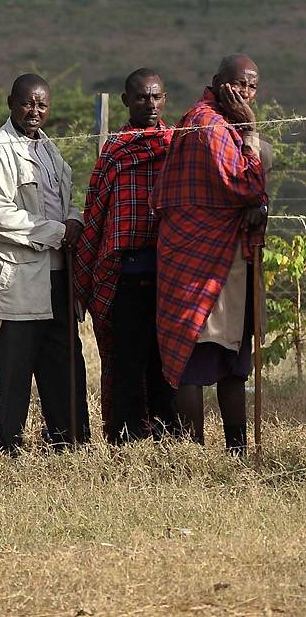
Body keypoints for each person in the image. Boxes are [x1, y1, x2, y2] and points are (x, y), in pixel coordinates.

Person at [154, 55, 269, 450]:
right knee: (194, 360)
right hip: (205, 264)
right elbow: (247, 186)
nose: (245, 93)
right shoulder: (211, 124)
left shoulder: (212, 122)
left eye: (252, 87)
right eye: (239, 84)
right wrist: (252, 131)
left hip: (223, 263)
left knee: (231, 365)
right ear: (218, 82)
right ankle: (194, 455)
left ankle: (235, 452)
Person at [0, 74, 88, 452]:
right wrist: (57, 231)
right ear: (11, 102)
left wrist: (74, 220)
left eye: (41, 104)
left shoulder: (48, 149)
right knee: (15, 368)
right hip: (17, 279)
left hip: (58, 277)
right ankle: (11, 449)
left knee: (62, 361)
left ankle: (67, 442)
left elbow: (67, 198)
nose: (34, 111)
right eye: (27, 103)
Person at [72, 70, 178, 443]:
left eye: (156, 97)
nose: (150, 105)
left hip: (170, 275)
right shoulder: (116, 149)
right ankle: (127, 440)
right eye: (141, 98)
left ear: (165, 99)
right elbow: (96, 212)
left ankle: (169, 438)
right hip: (126, 274)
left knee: (166, 363)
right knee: (127, 362)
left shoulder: (176, 144)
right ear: (125, 101)